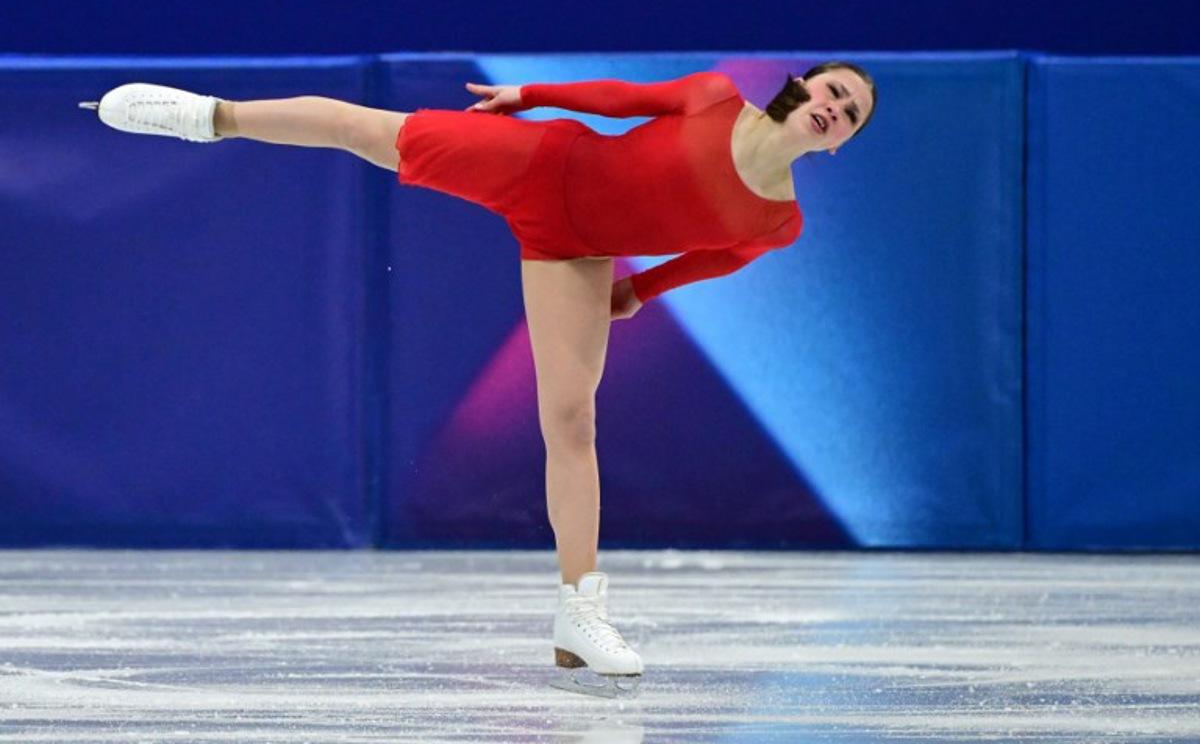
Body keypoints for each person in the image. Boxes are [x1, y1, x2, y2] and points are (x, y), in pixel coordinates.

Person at [80, 63, 877, 698]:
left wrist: (636, 292)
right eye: (834, 89)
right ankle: (208, 116)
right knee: (370, 132)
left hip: (576, 253)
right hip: (543, 160)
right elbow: (624, 97)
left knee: (571, 422)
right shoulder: (714, 97)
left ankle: (579, 611)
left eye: (851, 114)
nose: (835, 108)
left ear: (839, 144)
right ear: (800, 85)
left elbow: (707, 259)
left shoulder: (780, 224)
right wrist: (530, 94)